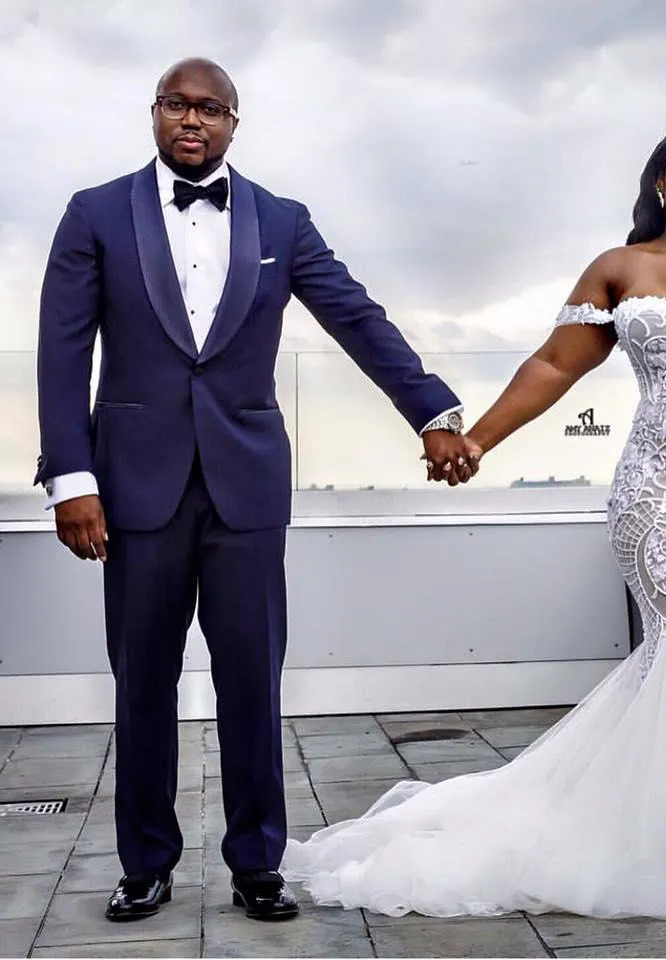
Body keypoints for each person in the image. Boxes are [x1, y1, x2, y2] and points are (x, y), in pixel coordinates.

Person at [281, 122, 666, 919]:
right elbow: (553, 364)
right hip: (662, 495)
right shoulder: (619, 270)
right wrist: (475, 438)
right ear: (659, 182)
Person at [35, 57, 475, 923]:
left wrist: (432, 411)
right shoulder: (94, 214)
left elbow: (354, 315)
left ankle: (256, 863)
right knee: (143, 681)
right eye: (176, 105)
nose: (191, 120)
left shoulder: (280, 219)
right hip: (131, 491)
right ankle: (146, 864)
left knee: (250, 680)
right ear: (154, 114)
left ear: (236, 122)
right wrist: (71, 477)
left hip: (246, 490)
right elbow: (60, 351)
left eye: (210, 109)